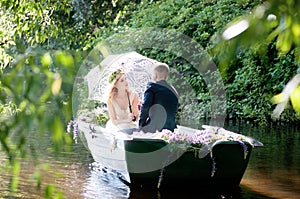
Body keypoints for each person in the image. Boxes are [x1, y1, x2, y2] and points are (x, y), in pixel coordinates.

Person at [139, 63, 179, 133]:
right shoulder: (174, 91)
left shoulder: (152, 87)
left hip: (154, 128)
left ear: (155, 75)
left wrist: (141, 126)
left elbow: (145, 108)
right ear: (167, 76)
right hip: (170, 129)